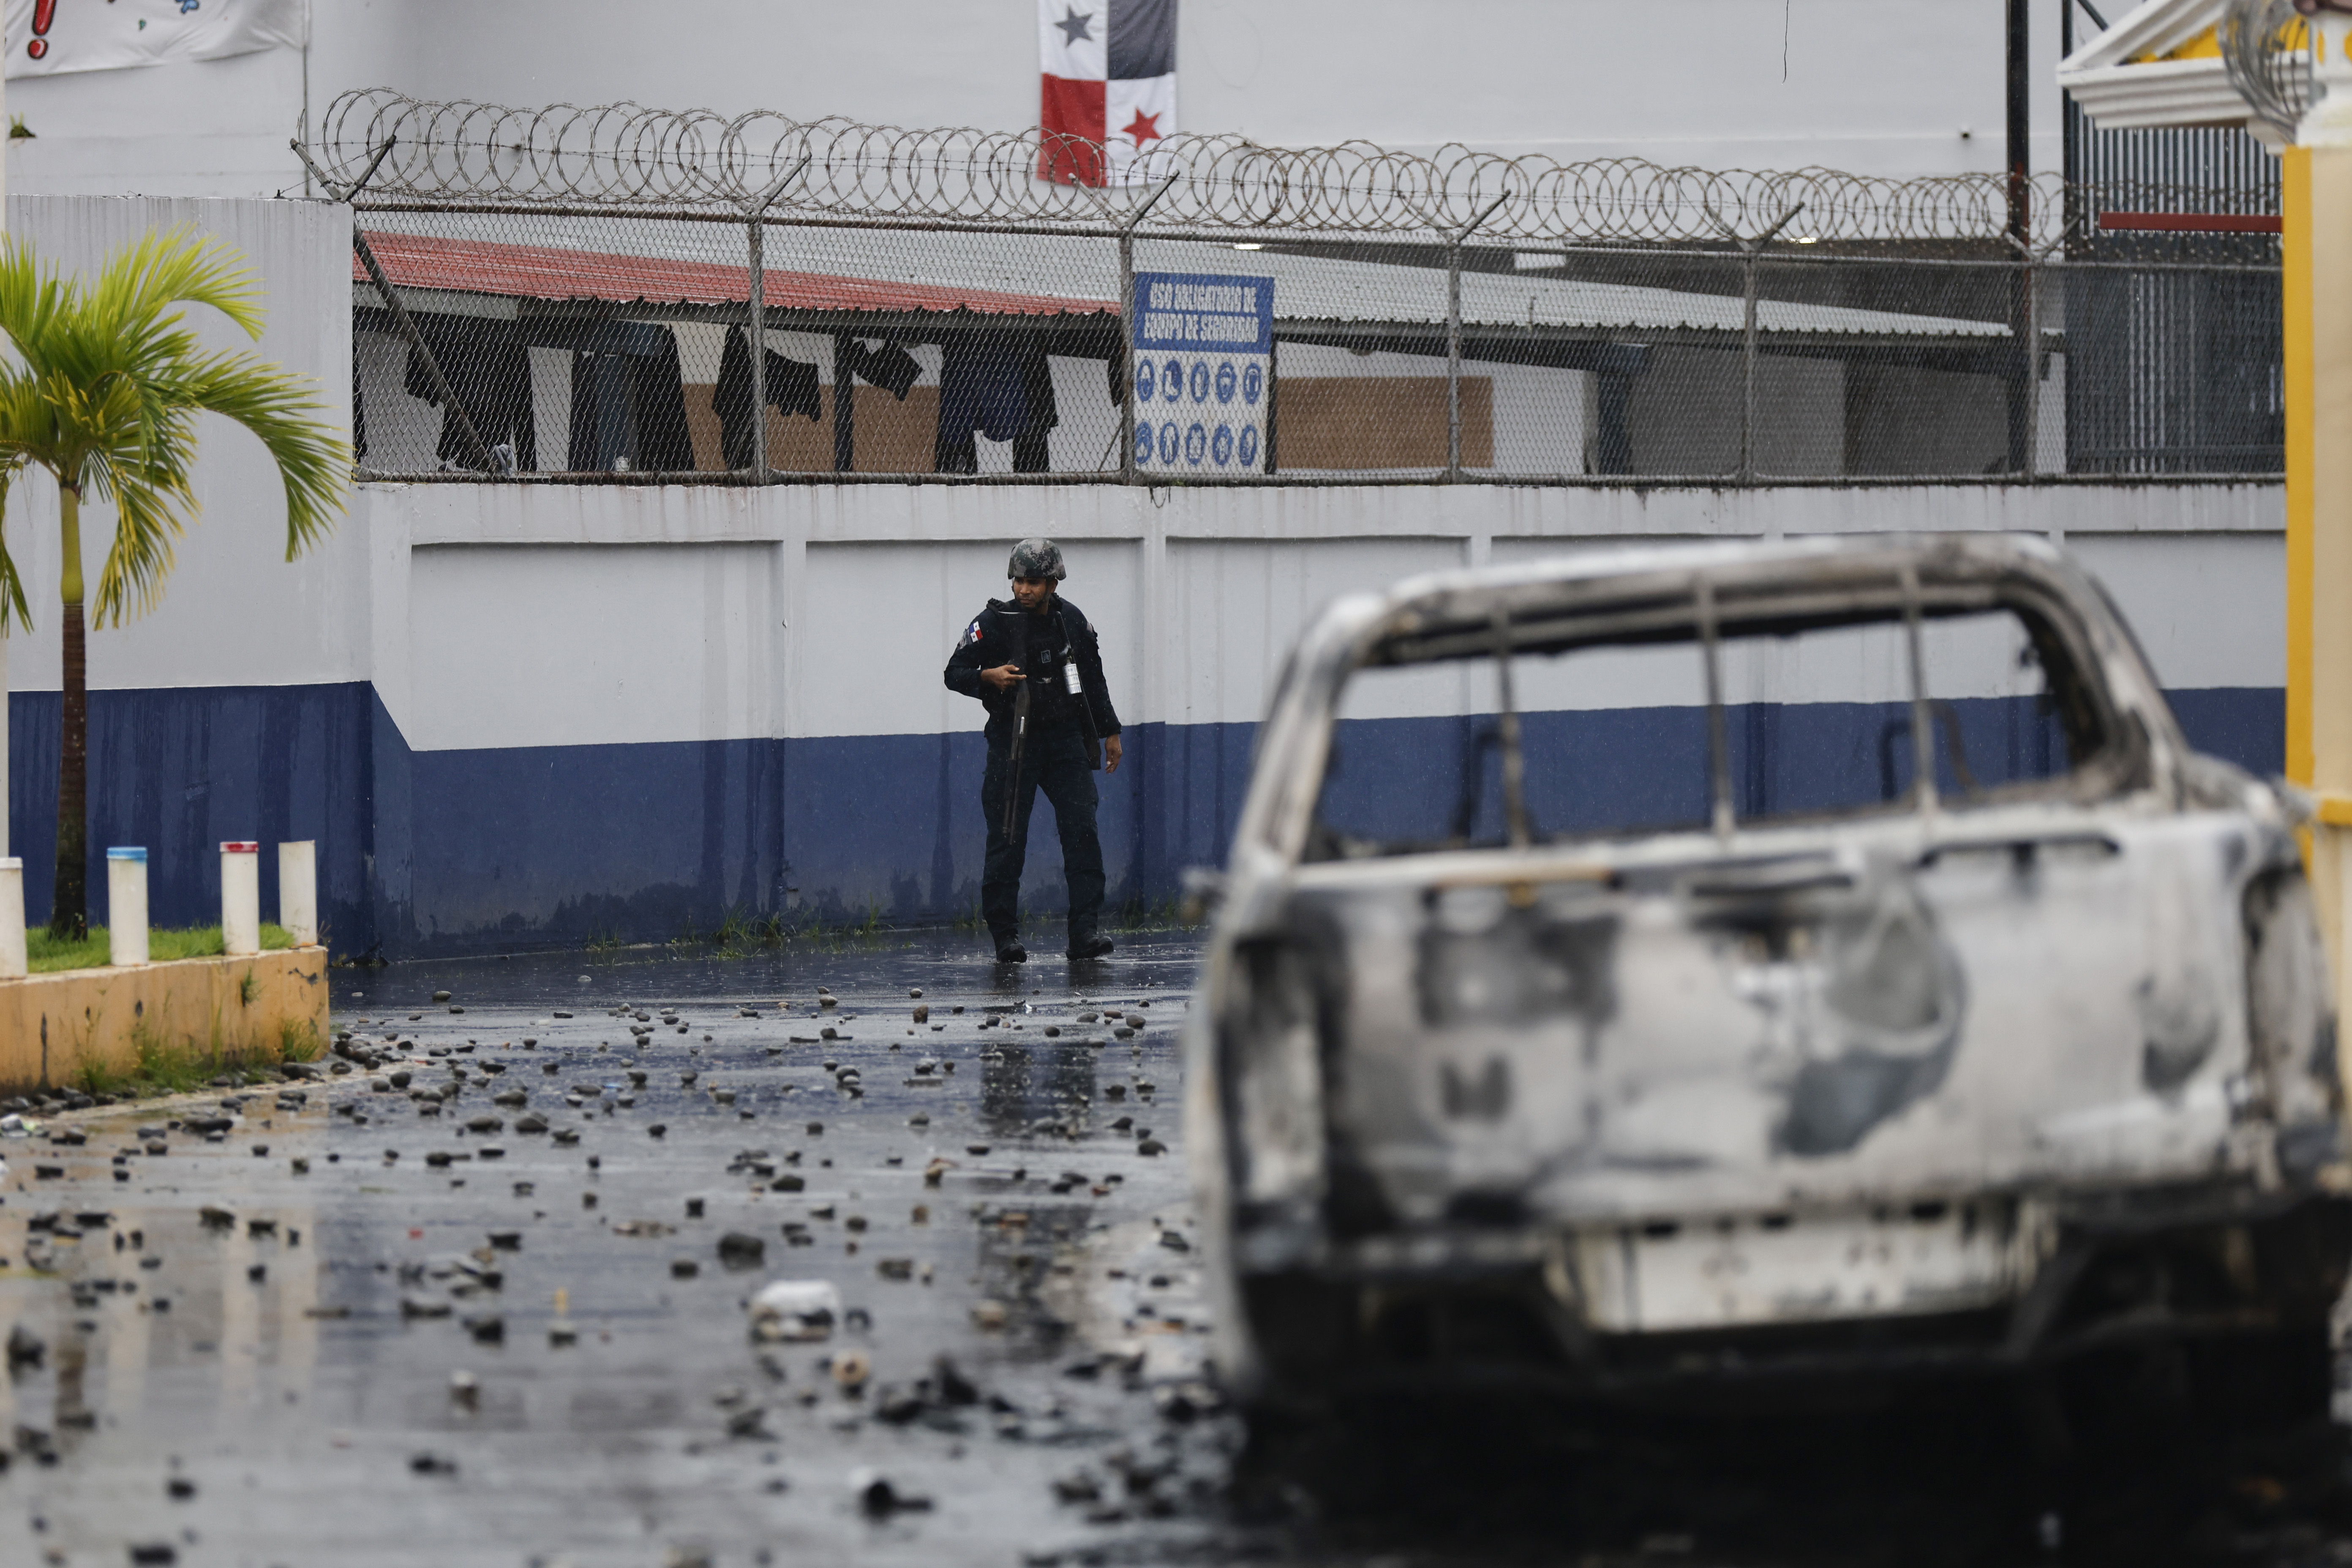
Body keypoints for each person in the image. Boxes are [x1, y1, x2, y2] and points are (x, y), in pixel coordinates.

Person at [943, 539, 1125, 963]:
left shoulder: (1073, 621)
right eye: (1018, 580)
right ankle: (1005, 938)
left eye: (1033, 582)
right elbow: (953, 672)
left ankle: (1085, 933)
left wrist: (1110, 731)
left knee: (1083, 833)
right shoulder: (991, 622)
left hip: (1064, 740)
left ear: (1052, 583)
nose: (1024, 589)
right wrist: (987, 676)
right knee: (1007, 840)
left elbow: (1092, 680)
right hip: (1013, 741)